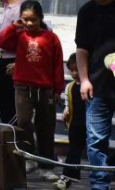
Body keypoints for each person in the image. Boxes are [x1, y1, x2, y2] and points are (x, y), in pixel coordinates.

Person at [0, 0, 64, 180]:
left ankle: (46, 166)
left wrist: (58, 89)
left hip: (45, 89)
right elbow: (2, 42)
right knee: (24, 123)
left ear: (41, 18)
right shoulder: (20, 36)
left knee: (46, 127)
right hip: (22, 87)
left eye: (33, 19)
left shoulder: (51, 38)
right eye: (25, 19)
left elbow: (58, 64)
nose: (29, 23)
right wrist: (14, 26)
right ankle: (30, 157)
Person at [76, 0, 115, 190]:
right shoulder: (87, 12)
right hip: (98, 85)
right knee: (95, 140)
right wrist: (84, 79)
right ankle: (99, 186)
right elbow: (82, 49)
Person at [0, 0, 25, 125]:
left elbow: (27, 40)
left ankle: (15, 137)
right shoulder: (7, 5)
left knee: (13, 106)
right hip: (5, 59)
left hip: (15, 60)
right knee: (5, 104)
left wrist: (20, 63)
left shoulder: (21, 9)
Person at [57, 54, 86, 190]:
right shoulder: (69, 87)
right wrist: (66, 110)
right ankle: (68, 177)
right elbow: (68, 103)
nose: (74, 73)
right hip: (74, 125)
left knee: (75, 151)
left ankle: (66, 177)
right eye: (72, 70)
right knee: (74, 150)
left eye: (77, 70)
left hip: (87, 125)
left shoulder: (89, 85)